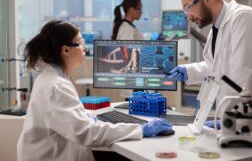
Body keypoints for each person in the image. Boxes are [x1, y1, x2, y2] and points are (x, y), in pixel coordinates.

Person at [17, 20, 172, 161]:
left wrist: (87, 115)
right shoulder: (56, 86)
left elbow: (66, 117)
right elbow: (85, 132)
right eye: (81, 42)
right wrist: (140, 129)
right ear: (66, 50)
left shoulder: (51, 77)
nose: (85, 47)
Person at [170, 0, 252, 137]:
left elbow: (242, 78)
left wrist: (232, 121)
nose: (189, 17)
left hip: (249, 121)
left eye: (189, 8)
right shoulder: (216, 29)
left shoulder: (244, 18)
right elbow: (218, 67)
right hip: (231, 120)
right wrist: (189, 70)